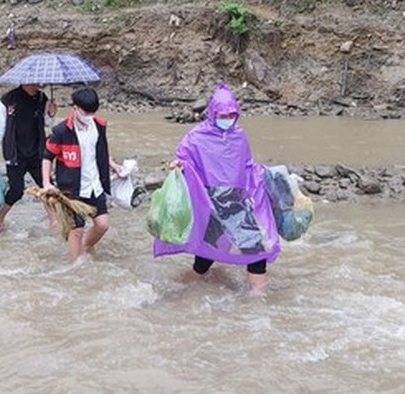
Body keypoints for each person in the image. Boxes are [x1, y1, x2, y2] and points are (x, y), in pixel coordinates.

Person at [152, 83, 280, 293]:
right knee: (209, 256)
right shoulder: (197, 136)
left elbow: (247, 166)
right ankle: (187, 290)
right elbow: (184, 158)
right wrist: (179, 164)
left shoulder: (239, 135)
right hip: (210, 202)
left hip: (237, 201)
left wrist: (267, 177)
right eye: (222, 115)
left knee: (255, 253)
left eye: (231, 114)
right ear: (212, 113)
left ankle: (257, 302)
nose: (227, 119)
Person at [42, 87, 123, 261]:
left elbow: (100, 150)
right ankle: (74, 268)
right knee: (76, 231)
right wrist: (46, 183)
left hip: (94, 185)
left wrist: (113, 164)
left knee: (102, 225)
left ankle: (83, 249)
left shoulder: (99, 126)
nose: (89, 116)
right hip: (71, 189)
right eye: (85, 112)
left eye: (92, 112)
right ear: (75, 108)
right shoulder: (61, 131)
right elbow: (47, 157)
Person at [0, 83, 57, 235]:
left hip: (37, 152)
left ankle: (54, 222)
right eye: (36, 80)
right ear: (26, 81)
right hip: (15, 153)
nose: (40, 82)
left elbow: (47, 125)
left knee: (47, 187)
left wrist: (51, 114)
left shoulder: (42, 98)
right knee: (16, 191)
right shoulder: (8, 100)